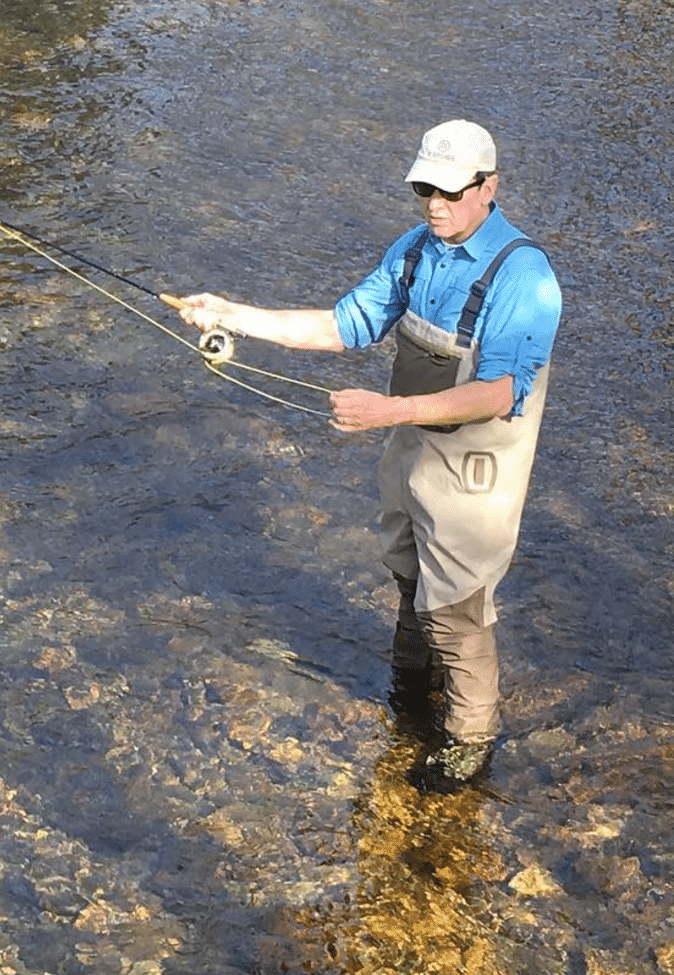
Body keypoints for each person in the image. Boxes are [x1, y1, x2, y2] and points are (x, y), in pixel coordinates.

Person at [171, 119, 562, 792]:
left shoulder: (524, 277)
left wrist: (392, 411)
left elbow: (498, 393)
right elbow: (339, 325)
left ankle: (471, 742)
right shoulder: (416, 251)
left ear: (488, 187)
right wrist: (233, 314)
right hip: (411, 442)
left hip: (477, 466)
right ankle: (410, 687)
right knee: (408, 573)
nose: (434, 204)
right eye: (422, 189)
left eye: (448, 191)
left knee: (458, 604)